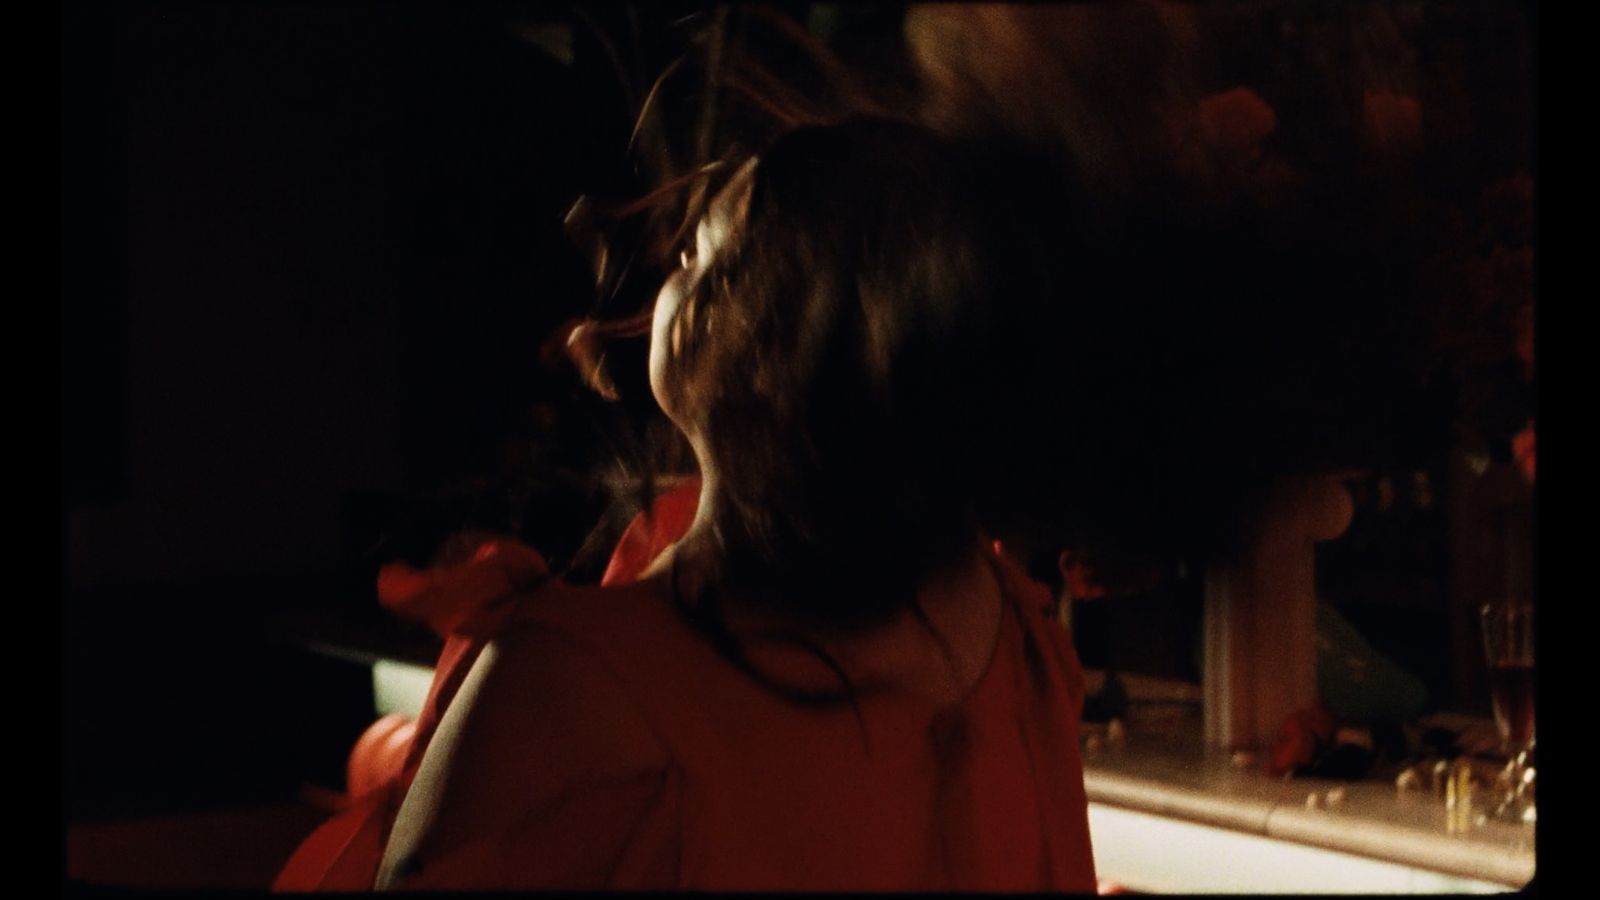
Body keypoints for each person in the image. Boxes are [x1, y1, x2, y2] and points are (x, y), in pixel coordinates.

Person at [281, 118, 1098, 891]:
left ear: (766, 347)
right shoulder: (1018, 641)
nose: (666, 273)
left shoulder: (564, 680)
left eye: (699, 255)